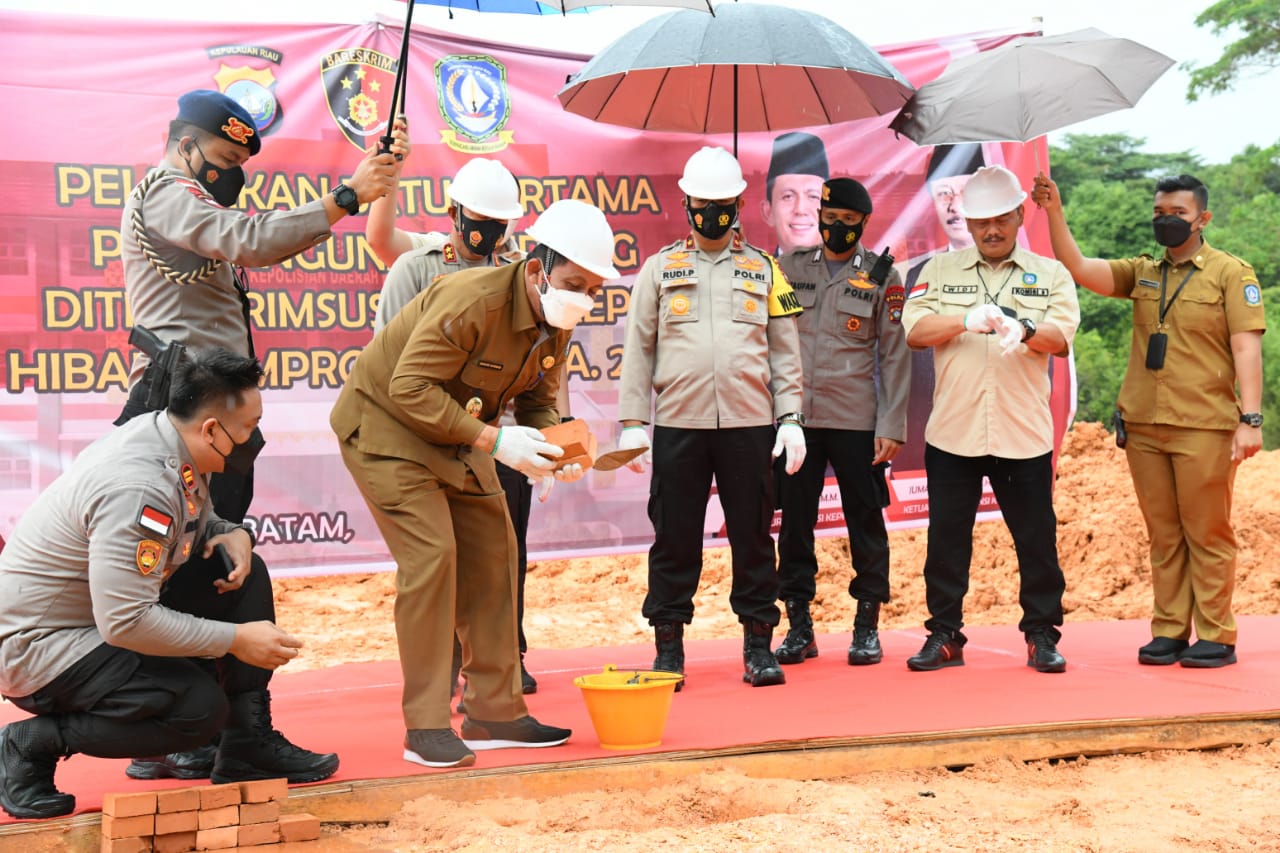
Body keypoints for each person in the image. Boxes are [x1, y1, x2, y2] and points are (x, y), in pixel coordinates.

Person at [114, 88, 397, 782]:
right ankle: (191, 733)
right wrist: (347, 198)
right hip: (179, 414)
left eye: (240, 160)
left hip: (205, 411)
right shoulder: (167, 191)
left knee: (211, 561)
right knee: (186, 569)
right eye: (221, 157)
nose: (230, 171)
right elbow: (246, 239)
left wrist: (371, 183)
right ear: (184, 145)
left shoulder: (196, 197)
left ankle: (200, 733)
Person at [331, 199, 618, 769]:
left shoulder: (553, 323)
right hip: (386, 427)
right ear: (538, 268)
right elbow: (410, 389)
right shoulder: (473, 299)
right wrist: (496, 443)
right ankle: (427, 726)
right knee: (434, 559)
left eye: (591, 289)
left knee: (495, 551)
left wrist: (553, 448)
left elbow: (537, 402)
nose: (581, 298)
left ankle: (494, 712)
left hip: (458, 434)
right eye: (572, 283)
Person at [0, 349, 333, 820]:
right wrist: (236, 640)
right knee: (196, 711)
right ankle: (29, 744)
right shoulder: (137, 485)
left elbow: (193, 512)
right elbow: (126, 620)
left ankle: (245, 747)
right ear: (212, 429)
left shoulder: (167, 436)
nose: (253, 438)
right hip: (42, 648)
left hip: (96, 619)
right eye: (247, 426)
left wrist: (226, 531)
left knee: (242, 571)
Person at [1032, 172, 1266, 668]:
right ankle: (1170, 630)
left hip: (1203, 424)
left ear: (1202, 218)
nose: (1166, 221)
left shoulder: (1231, 274)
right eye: (1159, 213)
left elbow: (1247, 348)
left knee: (1207, 531)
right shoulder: (1143, 273)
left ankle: (1217, 634)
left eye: (1177, 214)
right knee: (1163, 533)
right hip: (1143, 426)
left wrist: (1251, 419)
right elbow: (1076, 266)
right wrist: (1054, 210)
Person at [364, 123, 543, 698]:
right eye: (479, 223)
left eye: (499, 226)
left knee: (502, 555)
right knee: (436, 560)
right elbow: (390, 368)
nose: (486, 236)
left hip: (496, 440)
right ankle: (438, 671)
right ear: (453, 213)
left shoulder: (515, 273)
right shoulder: (417, 268)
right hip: (427, 439)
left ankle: (499, 661)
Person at [618, 146, 806, 689]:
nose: (713, 213)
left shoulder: (766, 270)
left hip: (749, 426)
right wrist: (634, 423)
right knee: (674, 538)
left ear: (740, 204)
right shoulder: (659, 269)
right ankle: (669, 648)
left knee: (751, 538)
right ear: (687, 203)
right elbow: (639, 349)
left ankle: (758, 646)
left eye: (723, 203)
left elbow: (784, 351)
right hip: (680, 425)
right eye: (704, 203)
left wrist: (790, 416)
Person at [901, 165, 1079, 674]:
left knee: (1036, 541)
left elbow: (1061, 338)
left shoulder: (1050, 275)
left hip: (1022, 434)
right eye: (982, 222)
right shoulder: (938, 272)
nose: (992, 230)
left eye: (1002, 219)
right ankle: (944, 635)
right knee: (946, 542)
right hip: (953, 433)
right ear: (967, 222)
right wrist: (965, 319)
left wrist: (1024, 329)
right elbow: (914, 330)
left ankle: (1042, 634)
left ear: (1022, 215)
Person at [773, 178, 911, 668]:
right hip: (797, 422)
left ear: (863, 223)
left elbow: (895, 356)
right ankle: (798, 627)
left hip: (856, 420)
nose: (835, 229)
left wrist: (891, 424)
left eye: (847, 223)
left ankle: (867, 626)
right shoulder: (788, 268)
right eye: (829, 220)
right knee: (794, 525)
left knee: (865, 522)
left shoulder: (881, 276)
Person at [895, 143, 986, 475]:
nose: (954, 204)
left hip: (998, 435)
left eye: (963, 191)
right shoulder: (917, 273)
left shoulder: (1017, 269)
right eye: (943, 193)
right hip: (932, 440)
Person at [759, 132, 829, 255]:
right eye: (788, 197)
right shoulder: (756, 272)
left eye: (813, 196)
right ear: (768, 212)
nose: (800, 210)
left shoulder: (853, 273)